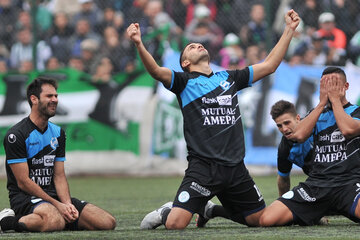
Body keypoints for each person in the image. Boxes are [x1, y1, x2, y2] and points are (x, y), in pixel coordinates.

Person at [127, 9, 300, 230]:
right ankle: (166, 211)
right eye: (190, 48)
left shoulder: (229, 77)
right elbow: (156, 71)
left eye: (198, 44)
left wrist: (288, 29)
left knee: (261, 221)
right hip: (203, 169)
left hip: (236, 168)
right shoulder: (184, 82)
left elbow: (269, 66)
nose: (197, 45)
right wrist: (139, 44)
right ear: (186, 63)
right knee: (175, 225)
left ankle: (210, 210)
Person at [0, 77, 116, 232]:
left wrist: (67, 204)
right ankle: (6, 221)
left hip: (54, 198)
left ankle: (56, 216)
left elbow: (59, 176)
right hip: (25, 198)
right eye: (49, 96)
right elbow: (23, 182)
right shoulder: (16, 135)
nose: (55, 100)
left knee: (107, 223)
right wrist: (57, 205)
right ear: (34, 99)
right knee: (55, 222)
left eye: (56, 96)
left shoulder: (58, 133)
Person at [260, 67, 360, 226]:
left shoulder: (356, 112)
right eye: (326, 86)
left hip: (348, 184)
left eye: (335, 84)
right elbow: (298, 135)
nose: (331, 89)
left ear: (346, 87)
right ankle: (315, 213)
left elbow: (348, 130)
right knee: (267, 219)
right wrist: (321, 104)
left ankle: (337, 208)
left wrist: (335, 101)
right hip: (316, 185)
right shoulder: (316, 113)